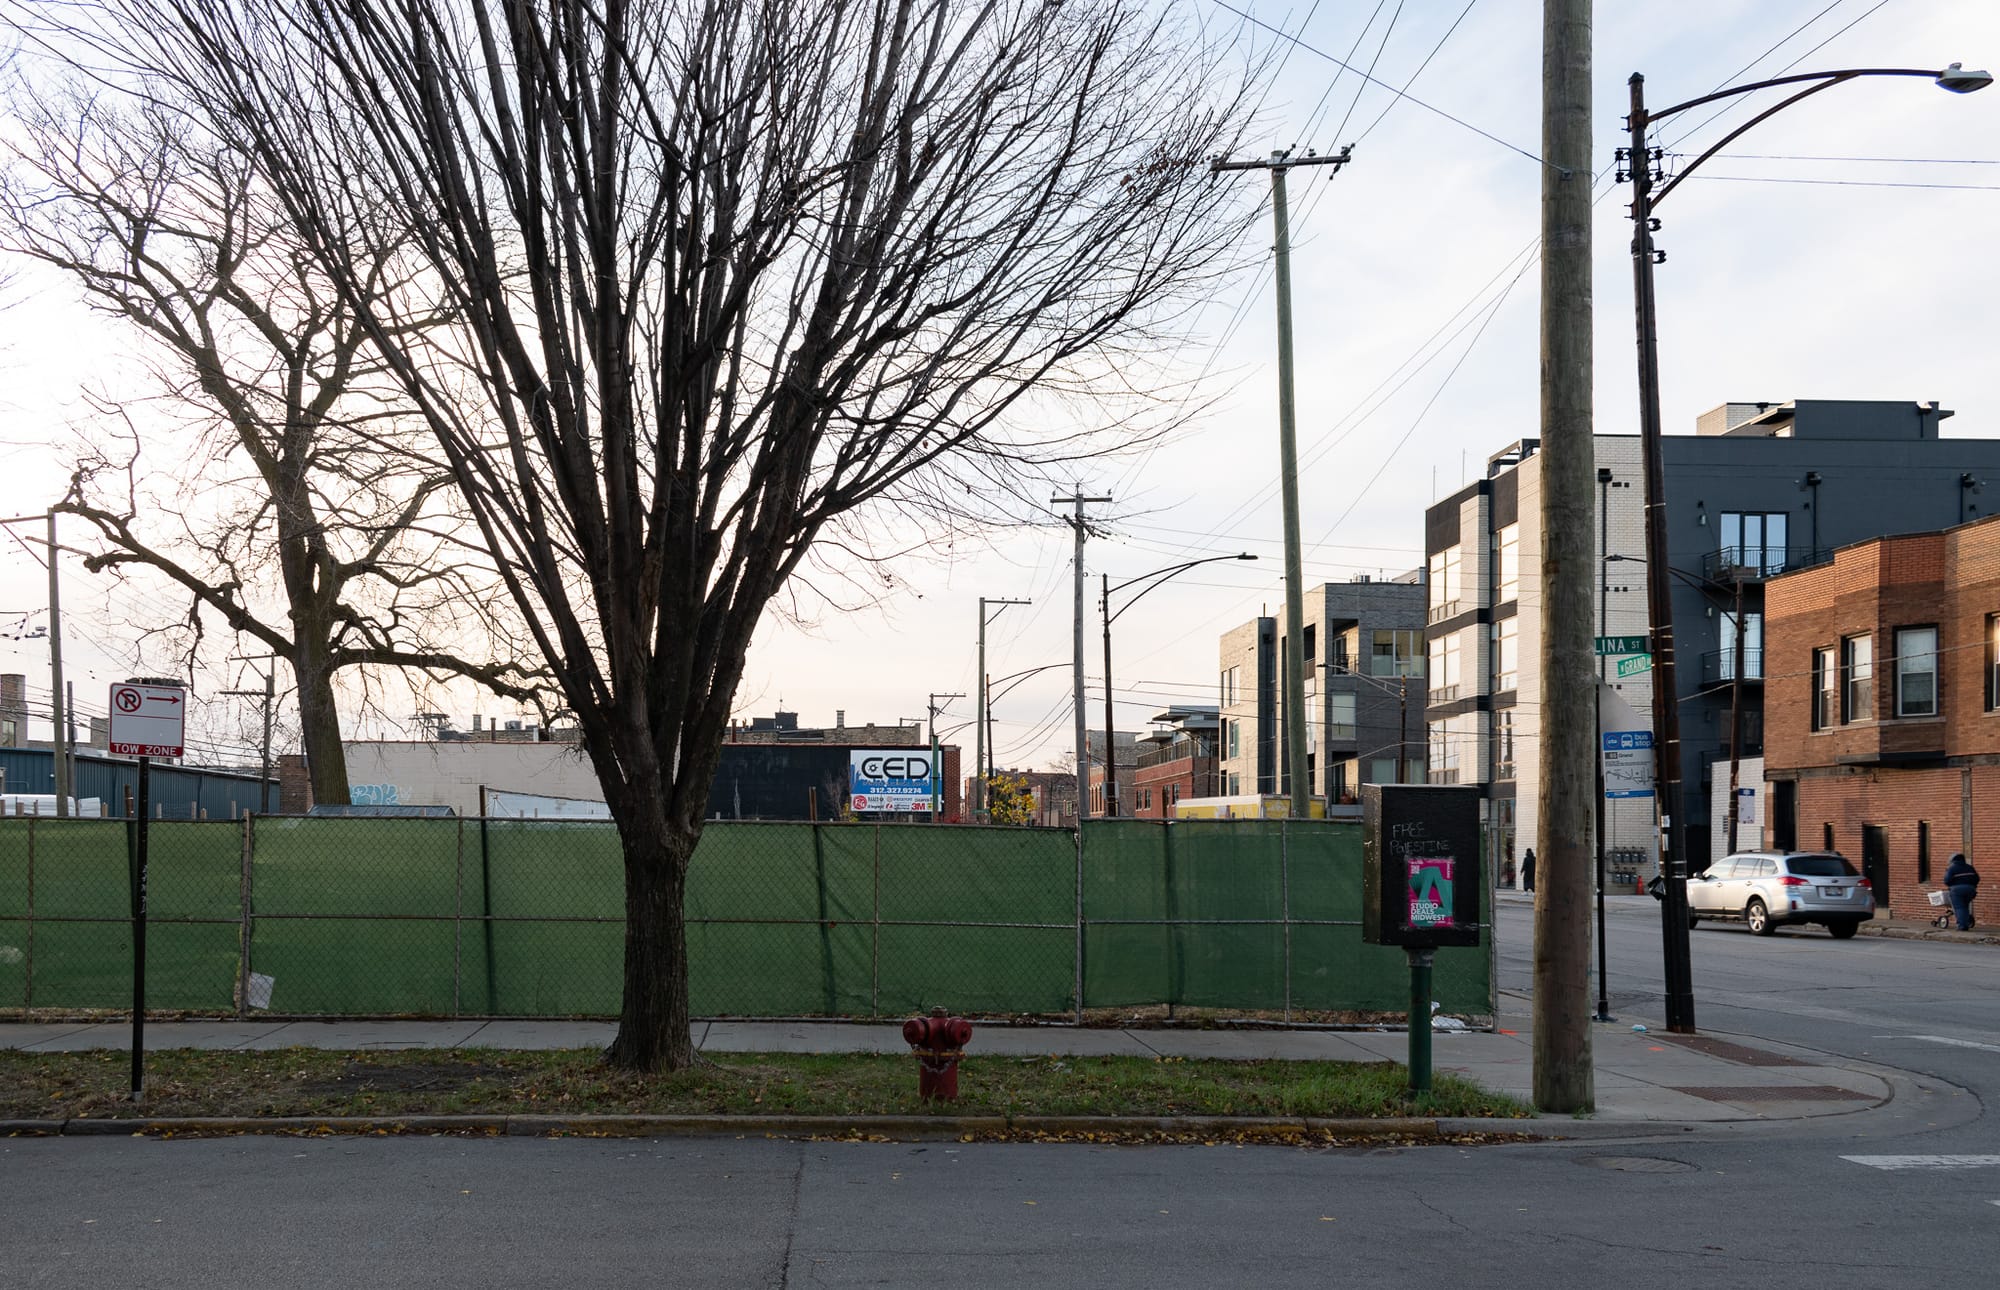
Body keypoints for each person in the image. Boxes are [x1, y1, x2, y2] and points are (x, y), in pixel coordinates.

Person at [1943, 852, 1980, 931]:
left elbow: (1946, 880)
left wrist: (1951, 886)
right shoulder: (1970, 867)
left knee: (1959, 907)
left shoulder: (1952, 868)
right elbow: (1977, 879)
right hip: (1971, 889)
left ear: (1952, 860)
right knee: (1964, 906)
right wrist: (1973, 886)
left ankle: (1962, 926)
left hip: (1957, 890)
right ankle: (1966, 921)